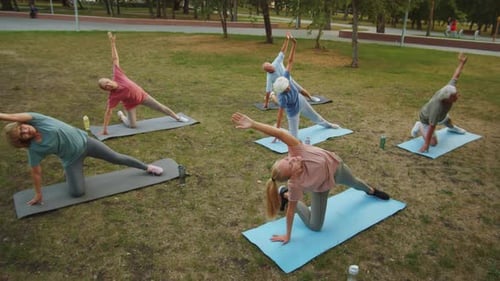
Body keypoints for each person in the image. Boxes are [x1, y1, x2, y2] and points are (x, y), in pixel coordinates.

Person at [231, 112, 389, 244]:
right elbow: (291, 212)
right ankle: (284, 194)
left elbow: (278, 133)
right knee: (315, 226)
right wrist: (287, 235)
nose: (291, 159)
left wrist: (253, 124)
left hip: (336, 169)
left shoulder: (296, 150)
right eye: (290, 164)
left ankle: (371, 190)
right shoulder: (295, 184)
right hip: (321, 189)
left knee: (354, 182)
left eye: (286, 159)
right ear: (291, 175)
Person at [1, 112, 164, 205]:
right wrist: (38, 193)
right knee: (77, 193)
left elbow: (13, 116)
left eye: (22, 128)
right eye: (22, 135)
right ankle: (70, 173)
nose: (25, 131)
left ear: (21, 123)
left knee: (116, 157)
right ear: (22, 141)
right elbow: (35, 172)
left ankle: (147, 167)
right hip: (71, 159)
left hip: (86, 143)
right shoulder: (35, 149)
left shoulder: (37, 119)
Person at [98, 32, 188, 135]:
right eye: (106, 87)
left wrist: (112, 43)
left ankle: (177, 118)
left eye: (107, 82)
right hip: (130, 104)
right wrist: (105, 129)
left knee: (160, 107)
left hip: (142, 96)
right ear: (107, 89)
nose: (108, 85)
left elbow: (115, 59)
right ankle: (122, 116)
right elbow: (108, 112)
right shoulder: (113, 96)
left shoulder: (117, 75)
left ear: (110, 79)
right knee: (133, 126)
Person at [272, 34, 339, 139]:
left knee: (315, 116)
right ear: (282, 91)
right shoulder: (282, 97)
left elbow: (290, 61)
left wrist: (294, 44)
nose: (288, 87)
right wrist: (277, 131)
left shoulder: (285, 77)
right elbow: (280, 115)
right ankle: (278, 130)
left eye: (287, 85)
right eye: (286, 88)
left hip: (300, 100)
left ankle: (329, 125)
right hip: (292, 112)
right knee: (293, 138)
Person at [410, 52, 468, 153]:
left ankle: (452, 128)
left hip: (442, 115)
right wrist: (426, 144)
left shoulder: (449, 89)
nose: (458, 96)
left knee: (447, 120)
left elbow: (456, 75)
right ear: (447, 98)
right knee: (434, 143)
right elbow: (432, 126)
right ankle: (419, 126)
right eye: (454, 96)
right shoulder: (437, 109)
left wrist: (462, 63)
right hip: (426, 119)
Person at [262, 32, 319, 109]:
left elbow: (282, 51)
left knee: (299, 89)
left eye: (271, 65)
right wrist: (266, 104)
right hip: (281, 88)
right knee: (280, 104)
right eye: (270, 68)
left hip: (289, 80)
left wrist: (286, 40)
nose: (272, 67)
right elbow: (268, 90)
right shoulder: (269, 77)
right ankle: (273, 95)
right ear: (268, 71)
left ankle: (311, 97)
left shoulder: (276, 62)